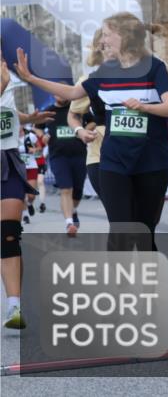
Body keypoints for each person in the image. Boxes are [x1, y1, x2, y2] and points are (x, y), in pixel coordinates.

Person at [15, 13, 168, 252]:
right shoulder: (105, 71)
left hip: (151, 161)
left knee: (144, 233)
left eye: (106, 34)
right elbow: (72, 92)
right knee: (121, 229)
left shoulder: (153, 67)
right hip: (113, 162)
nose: (101, 41)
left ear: (122, 36)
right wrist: (32, 78)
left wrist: (144, 107)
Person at [1, 59, 53, 329]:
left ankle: (13, 307)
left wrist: (29, 118)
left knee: (8, 233)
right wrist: (4, 83)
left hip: (7, 160)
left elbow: (6, 111)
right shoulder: (4, 78)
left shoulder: (4, 74)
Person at [41, 96, 91, 236]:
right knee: (65, 189)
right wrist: (43, 137)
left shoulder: (77, 108)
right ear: (54, 96)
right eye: (58, 94)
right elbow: (37, 128)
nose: (61, 96)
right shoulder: (49, 111)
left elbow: (93, 122)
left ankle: (73, 210)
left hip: (79, 155)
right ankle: (69, 223)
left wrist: (83, 130)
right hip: (58, 156)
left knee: (77, 192)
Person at [67, 30, 107, 200]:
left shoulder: (140, 75)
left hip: (136, 152)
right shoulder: (88, 81)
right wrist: (80, 131)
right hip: (99, 155)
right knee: (119, 214)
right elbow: (73, 115)